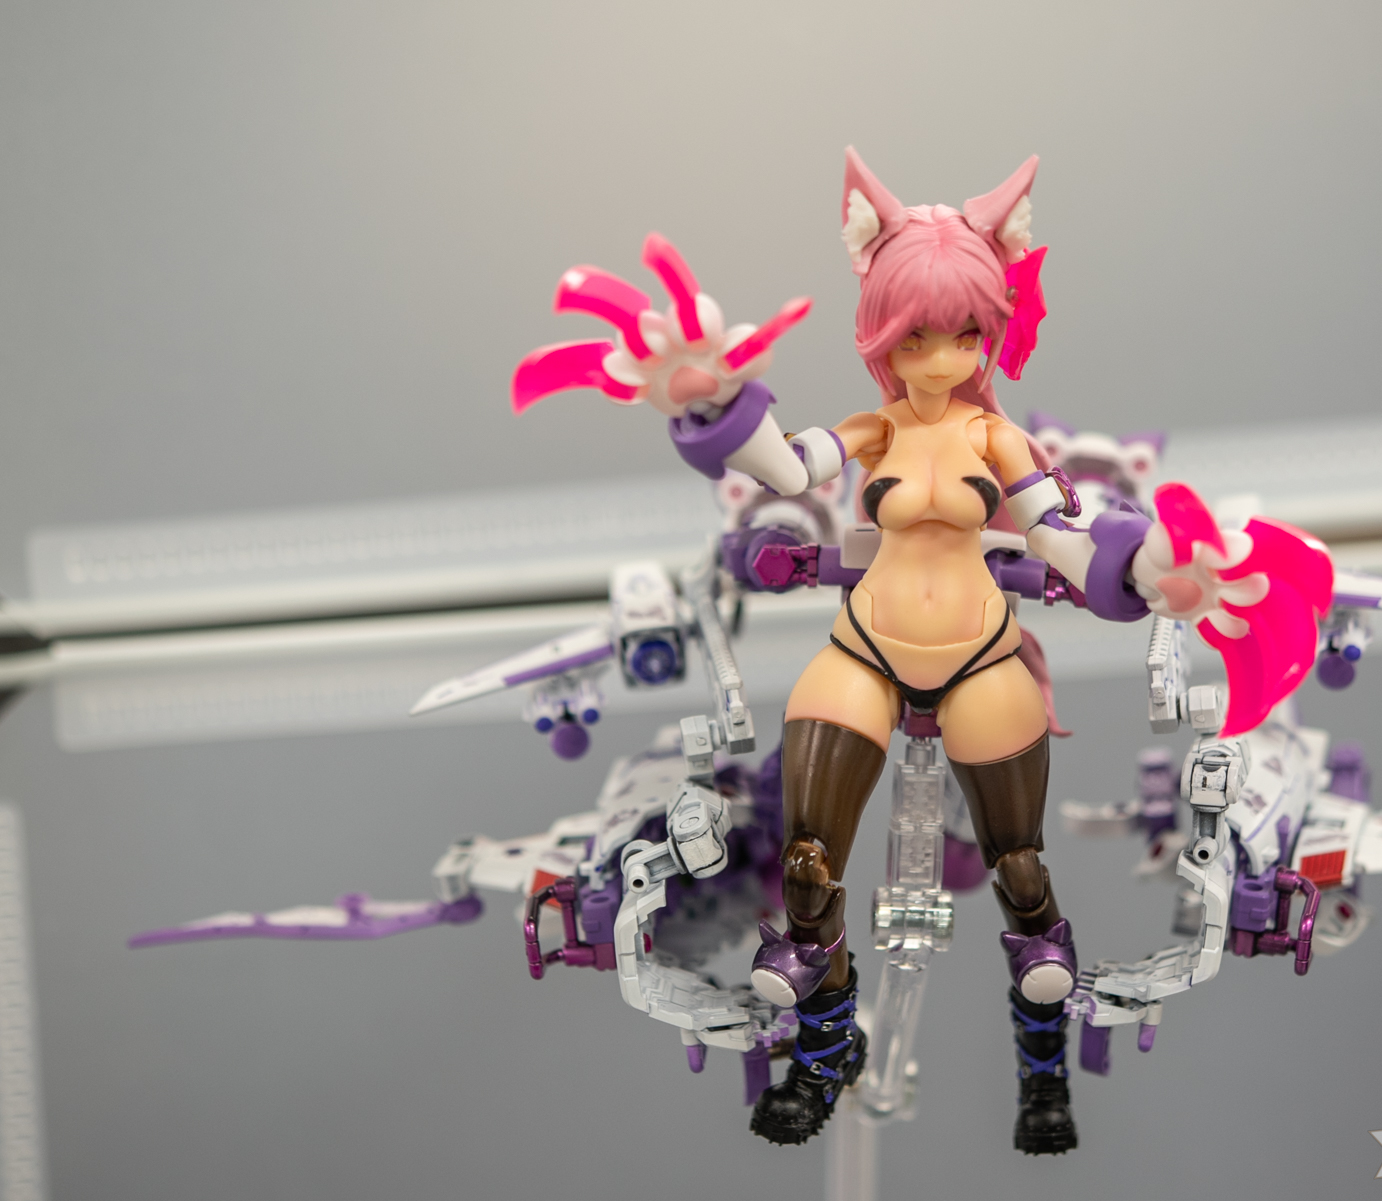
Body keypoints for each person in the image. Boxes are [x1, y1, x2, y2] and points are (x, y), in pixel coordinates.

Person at [511, 148, 1331, 1153]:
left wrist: (1153, 573)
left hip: (981, 655)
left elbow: (1063, 540)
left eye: (963, 334)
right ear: (882, 333)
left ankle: (1043, 1074)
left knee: (1024, 882)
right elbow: (786, 467)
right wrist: (709, 404)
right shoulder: (872, 429)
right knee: (806, 868)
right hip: (866, 649)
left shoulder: (998, 441)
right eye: (916, 335)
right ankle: (824, 1057)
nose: (940, 358)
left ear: (989, 330)